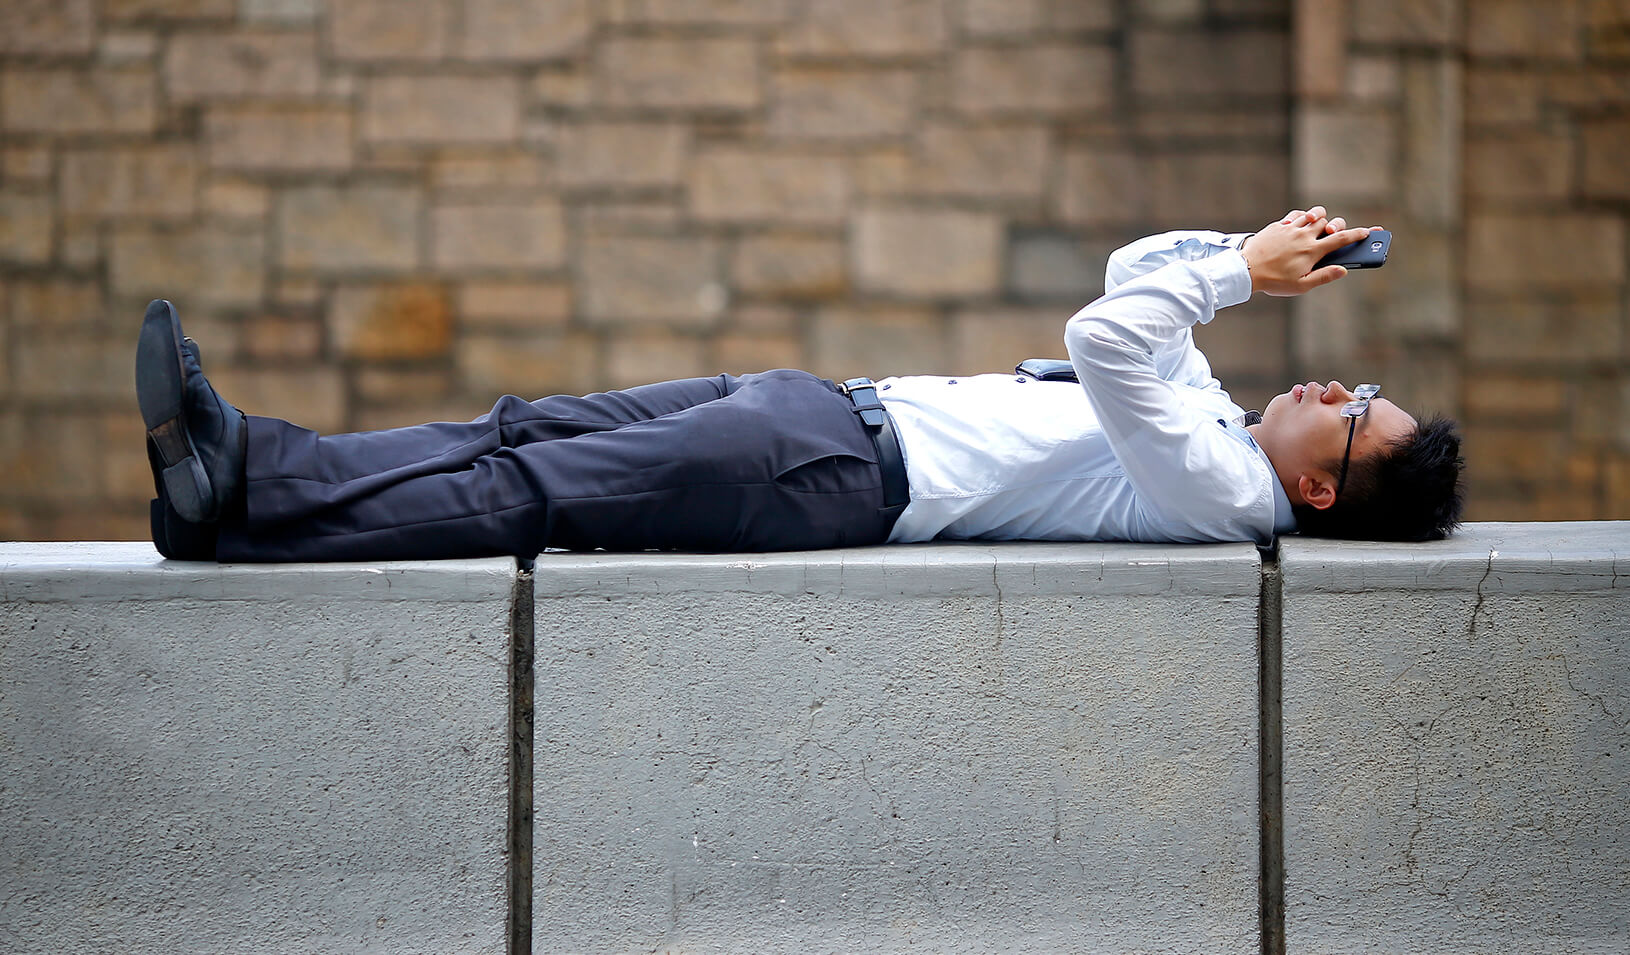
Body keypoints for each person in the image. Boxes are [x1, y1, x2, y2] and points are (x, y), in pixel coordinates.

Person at [137, 206, 1464, 563]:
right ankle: (247, 462)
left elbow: (1112, 334)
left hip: (828, 473)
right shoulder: (1224, 433)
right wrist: (1251, 256)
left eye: (1355, 415)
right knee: (519, 428)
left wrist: (1237, 271)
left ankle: (240, 519)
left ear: (1317, 484)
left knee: (527, 488)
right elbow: (1134, 275)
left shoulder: (1226, 487)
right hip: (822, 414)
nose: (1338, 386)